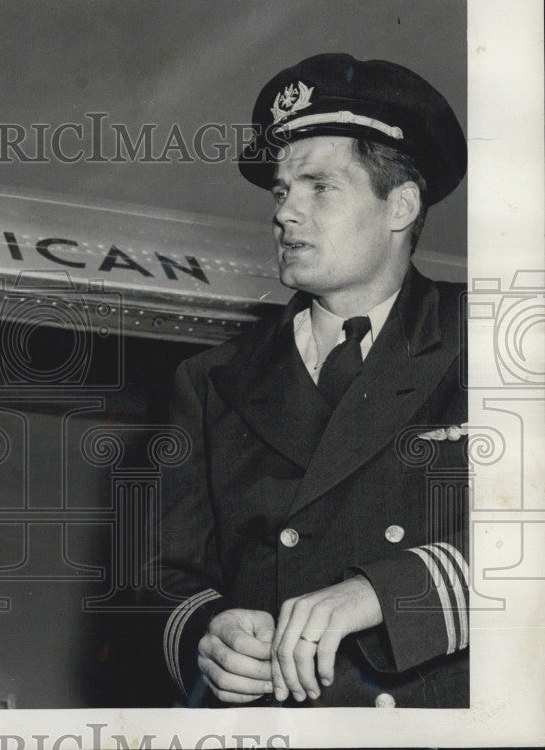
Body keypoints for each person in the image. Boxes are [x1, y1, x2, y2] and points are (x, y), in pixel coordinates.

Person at [152, 53, 468, 708]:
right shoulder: (211, 380)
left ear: (400, 204)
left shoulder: (500, 341)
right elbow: (165, 579)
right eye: (281, 190)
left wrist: (379, 592)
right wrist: (208, 638)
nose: (285, 213)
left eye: (319, 186)